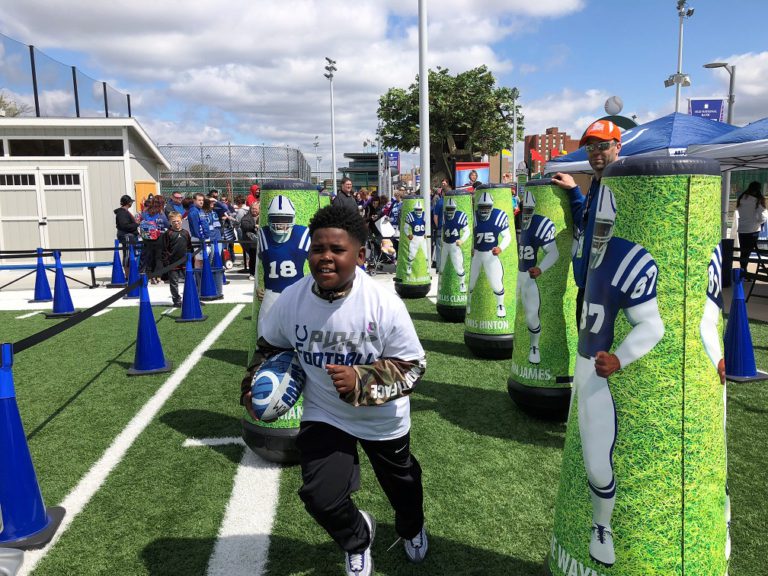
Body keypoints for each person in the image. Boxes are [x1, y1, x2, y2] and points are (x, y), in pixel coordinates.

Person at [240, 205, 428, 576]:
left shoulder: (384, 304)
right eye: (317, 249)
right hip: (324, 414)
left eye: (337, 250)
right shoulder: (292, 299)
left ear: (359, 256)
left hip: (382, 420)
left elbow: (414, 366)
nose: (325, 258)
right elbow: (270, 347)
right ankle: (358, 538)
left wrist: (362, 380)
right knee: (320, 497)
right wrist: (252, 387)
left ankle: (412, 528)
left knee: (403, 487)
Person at [574, 185, 665, 567]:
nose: (597, 235)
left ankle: (602, 524)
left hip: (595, 362)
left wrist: (620, 358)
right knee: (578, 451)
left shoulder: (628, 259)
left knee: (597, 462)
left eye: (603, 226)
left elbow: (652, 325)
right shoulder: (583, 246)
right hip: (577, 359)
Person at [551, 119, 622, 324]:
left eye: (602, 145)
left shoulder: (621, 184)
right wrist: (574, 191)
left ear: (617, 147)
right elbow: (586, 219)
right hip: (587, 286)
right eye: (591, 147)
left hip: (608, 291)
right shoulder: (596, 183)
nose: (595, 152)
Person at [517, 187, 559, 364]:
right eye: (523, 209)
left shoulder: (539, 224)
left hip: (527, 276)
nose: (525, 214)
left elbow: (553, 252)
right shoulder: (514, 218)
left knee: (531, 315)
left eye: (528, 210)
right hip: (516, 273)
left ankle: (534, 346)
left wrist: (540, 268)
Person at [256, 195, 311, 325]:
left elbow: (316, 264)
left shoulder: (303, 234)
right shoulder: (262, 235)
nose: (280, 224)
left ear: (293, 218)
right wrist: (257, 287)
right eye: (276, 219)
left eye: (285, 219)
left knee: (298, 331)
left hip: (296, 294)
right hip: (270, 294)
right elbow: (256, 264)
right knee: (264, 333)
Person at [466, 191, 511, 318]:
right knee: (471, 282)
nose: (484, 210)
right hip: (477, 255)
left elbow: (507, 236)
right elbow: (468, 234)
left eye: (487, 207)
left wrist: (500, 247)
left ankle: (500, 305)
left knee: (496, 283)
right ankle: (468, 304)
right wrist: (471, 247)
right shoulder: (473, 217)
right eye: (482, 207)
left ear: (491, 207)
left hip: (491, 255)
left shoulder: (498, 216)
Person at [161, 211, 192, 307]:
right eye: (174, 221)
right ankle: (176, 300)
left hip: (185, 262)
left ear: (181, 221)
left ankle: (190, 298)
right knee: (174, 283)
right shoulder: (168, 233)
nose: (176, 223)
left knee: (189, 280)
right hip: (173, 263)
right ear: (170, 222)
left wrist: (190, 260)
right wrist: (166, 263)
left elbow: (189, 247)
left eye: (178, 221)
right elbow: (164, 249)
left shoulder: (185, 233)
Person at [735, 181, 768, 270]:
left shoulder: (742, 198)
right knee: (748, 253)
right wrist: (759, 222)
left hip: (742, 229)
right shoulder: (757, 201)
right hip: (753, 230)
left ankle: (743, 271)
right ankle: (745, 273)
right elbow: (763, 217)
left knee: (743, 252)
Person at [439, 197, 469, 292]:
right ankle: (440, 284)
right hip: (445, 244)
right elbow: (443, 228)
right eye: (448, 209)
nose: (450, 211)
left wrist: (462, 240)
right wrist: (441, 239)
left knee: (458, 266)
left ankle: (462, 284)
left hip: (454, 245)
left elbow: (467, 231)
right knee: (442, 266)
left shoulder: (460, 216)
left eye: (451, 209)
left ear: (455, 209)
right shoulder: (444, 216)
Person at [138, 197, 169, 282]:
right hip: (159, 237)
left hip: (147, 237)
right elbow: (166, 224)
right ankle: (158, 276)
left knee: (149, 257)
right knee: (158, 257)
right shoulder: (161, 213)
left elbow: (140, 222)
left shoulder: (145, 213)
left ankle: (149, 275)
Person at [404, 200, 427, 277]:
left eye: (419, 210)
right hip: (415, 237)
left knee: (426, 254)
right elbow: (406, 228)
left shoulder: (424, 215)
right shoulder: (410, 216)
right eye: (417, 210)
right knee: (412, 254)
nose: (418, 211)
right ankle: (409, 267)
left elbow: (428, 225)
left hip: (422, 237)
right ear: (414, 210)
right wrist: (408, 234)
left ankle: (427, 267)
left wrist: (426, 233)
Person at [114, 194, 139, 267]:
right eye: (131, 202)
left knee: (130, 254)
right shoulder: (122, 213)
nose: (131, 203)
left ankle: (130, 273)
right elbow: (124, 226)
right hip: (126, 236)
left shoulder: (125, 212)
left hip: (129, 236)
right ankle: (127, 274)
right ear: (128, 203)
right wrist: (136, 224)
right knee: (128, 255)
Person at [239, 201, 261, 280]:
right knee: (253, 258)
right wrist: (254, 226)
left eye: (256, 209)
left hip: (261, 241)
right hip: (250, 242)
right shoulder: (246, 217)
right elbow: (245, 226)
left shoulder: (262, 217)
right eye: (252, 209)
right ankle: (252, 273)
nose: (254, 210)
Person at [187, 193, 209, 269]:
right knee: (199, 260)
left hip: (204, 238)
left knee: (203, 259)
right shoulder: (194, 211)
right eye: (199, 200)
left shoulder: (200, 210)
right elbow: (196, 228)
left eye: (202, 200)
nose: (201, 202)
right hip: (198, 239)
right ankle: (198, 278)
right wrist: (201, 238)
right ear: (194, 201)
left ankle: (201, 277)